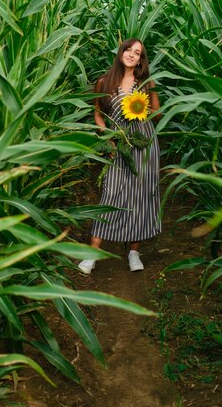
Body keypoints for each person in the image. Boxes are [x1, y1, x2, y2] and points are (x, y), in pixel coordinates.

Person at [78, 38, 161, 274]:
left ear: (141, 60)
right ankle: (92, 255)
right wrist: (109, 141)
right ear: (121, 51)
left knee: (142, 196)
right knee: (111, 193)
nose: (132, 54)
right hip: (119, 145)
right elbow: (98, 116)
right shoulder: (104, 82)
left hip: (145, 145)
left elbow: (157, 113)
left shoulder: (145, 83)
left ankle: (134, 252)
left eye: (138, 53)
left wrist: (143, 108)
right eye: (129, 50)